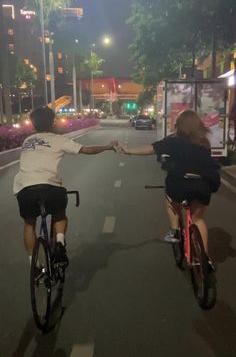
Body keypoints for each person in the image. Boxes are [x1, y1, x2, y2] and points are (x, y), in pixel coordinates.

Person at [14, 106, 118, 266]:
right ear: (52, 122)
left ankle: (34, 264)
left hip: (24, 190)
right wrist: (108, 146)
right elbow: (86, 150)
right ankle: (60, 242)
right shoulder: (59, 140)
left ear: (33, 124)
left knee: (29, 223)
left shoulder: (27, 141)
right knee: (59, 213)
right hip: (50, 189)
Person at [118, 110, 220, 260]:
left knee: (171, 200)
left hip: (180, 184)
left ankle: (174, 231)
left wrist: (128, 151)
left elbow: (152, 149)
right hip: (203, 183)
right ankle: (205, 259)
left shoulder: (174, 141)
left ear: (179, 125)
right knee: (198, 219)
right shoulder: (204, 141)